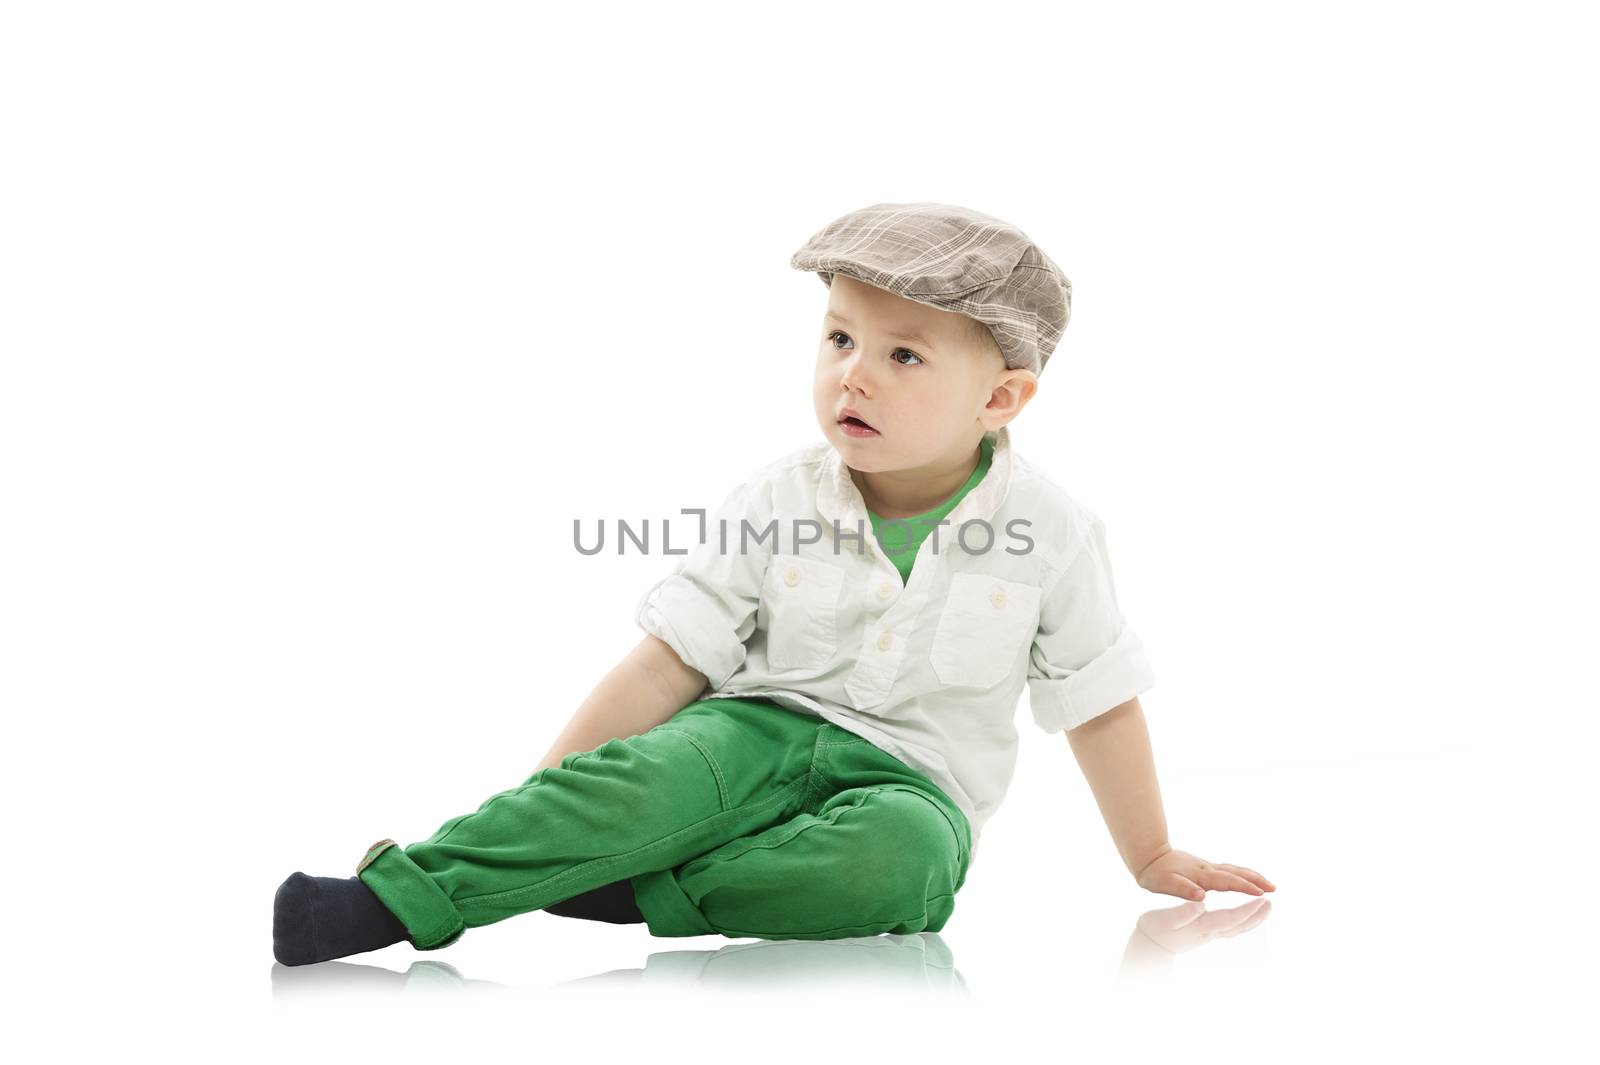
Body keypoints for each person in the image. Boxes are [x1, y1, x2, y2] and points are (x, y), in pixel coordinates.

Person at [272, 201, 1275, 967]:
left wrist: (1149, 855)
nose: (853, 376)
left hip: (914, 783)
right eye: (838, 338)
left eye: (902, 355)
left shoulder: (1052, 534)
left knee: (902, 870)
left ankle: (646, 891)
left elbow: (1097, 702)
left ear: (1001, 397)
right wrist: (561, 799)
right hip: (750, 727)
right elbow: (668, 664)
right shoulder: (776, 497)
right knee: (643, 781)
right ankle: (389, 900)